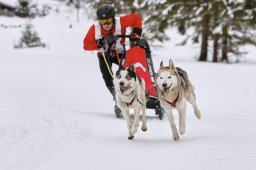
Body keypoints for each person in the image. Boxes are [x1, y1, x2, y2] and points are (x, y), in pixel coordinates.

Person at [83, 3, 142, 117]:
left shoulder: (121, 21)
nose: (106, 24)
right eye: (102, 21)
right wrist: (97, 44)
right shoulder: (94, 28)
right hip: (104, 55)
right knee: (107, 76)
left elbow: (137, 19)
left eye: (108, 20)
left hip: (119, 52)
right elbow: (86, 45)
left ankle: (134, 93)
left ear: (113, 18)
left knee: (127, 73)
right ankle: (117, 97)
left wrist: (136, 33)